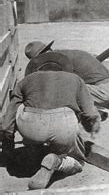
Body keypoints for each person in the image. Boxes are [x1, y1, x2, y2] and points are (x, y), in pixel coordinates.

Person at [1, 52, 100, 190]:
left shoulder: (26, 80)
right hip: (63, 124)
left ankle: (35, 152)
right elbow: (90, 113)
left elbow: (6, 124)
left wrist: (8, 151)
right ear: (64, 68)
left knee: (23, 108)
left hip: (31, 126)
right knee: (77, 161)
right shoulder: (75, 79)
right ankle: (58, 162)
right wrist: (91, 127)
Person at [24, 40, 109, 105]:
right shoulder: (60, 54)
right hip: (103, 83)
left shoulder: (58, 60)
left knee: (59, 88)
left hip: (104, 91)